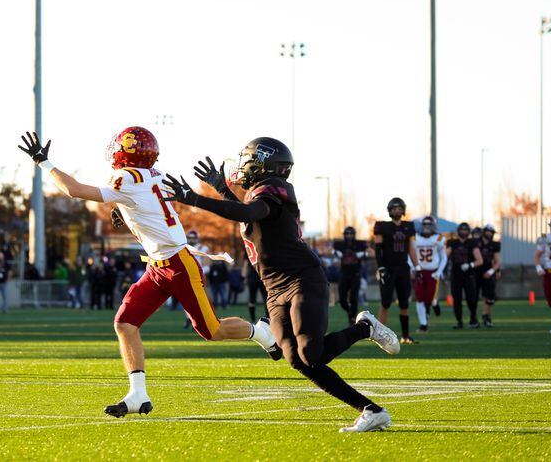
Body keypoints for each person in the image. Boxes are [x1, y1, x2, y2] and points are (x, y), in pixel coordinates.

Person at [19, 128, 279, 419]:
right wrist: (123, 207)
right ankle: (137, 393)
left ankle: (261, 332)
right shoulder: (153, 174)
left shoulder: (127, 178)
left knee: (212, 331)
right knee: (125, 323)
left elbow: (76, 190)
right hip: (157, 266)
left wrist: (44, 162)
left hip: (179, 265)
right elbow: (148, 204)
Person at [164, 139, 399, 432]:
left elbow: (250, 214)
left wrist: (195, 199)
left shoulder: (275, 188)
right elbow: (251, 215)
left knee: (311, 354)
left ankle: (365, 327)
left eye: (248, 160)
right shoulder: (262, 195)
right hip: (275, 289)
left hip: (302, 278)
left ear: (263, 163)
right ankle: (372, 411)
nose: (242, 166)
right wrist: (221, 189)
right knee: (296, 359)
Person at [373, 197, 420, 344]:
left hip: (403, 268)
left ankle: (405, 335)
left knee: (404, 302)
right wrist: (380, 267)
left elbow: (412, 249)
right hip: (388, 268)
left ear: (403, 210)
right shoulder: (382, 226)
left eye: (399, 208)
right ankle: (380, 335)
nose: (397, 210)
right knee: (385, 302)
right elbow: (378, 249)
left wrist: (417, 266)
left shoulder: (408, 226)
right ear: (389, 210)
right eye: (394, 208)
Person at [410, 216, 447, 333]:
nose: (426, 227)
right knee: (420, 298)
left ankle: (434, 303)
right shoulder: (415, 237)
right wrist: (413, 268)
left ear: (433, 226)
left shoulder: (439, 238)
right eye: (424, 225)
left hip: (432, 272)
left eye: (429, 225)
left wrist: (439, 272)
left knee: (429, 299)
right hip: (420, 271)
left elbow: (444, 258)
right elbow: (410, 255)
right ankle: (423, 324)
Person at [446, 222, 484, 329]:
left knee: (471, 299)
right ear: (458, 231)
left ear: (469, 231)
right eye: (461, 230)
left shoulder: (472, 243)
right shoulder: (452, 243)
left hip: (469, 275)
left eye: (465, 230)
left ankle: (473, 318)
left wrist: (470, 265)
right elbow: (444, 257)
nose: (463, 232)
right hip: (456, 275)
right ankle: (459, 321)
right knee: (456, 299)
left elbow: (480, 260)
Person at [333, 226, 370, 326]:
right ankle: (351, 313)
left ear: (354, 235)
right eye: (347, 234)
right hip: (344, 274)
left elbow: (368, 253)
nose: (349, 236)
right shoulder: (340, 244)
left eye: (351, 234)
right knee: (342, 300)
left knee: (353, 298)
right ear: (344, 235)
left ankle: (352, 319)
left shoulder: (359, 244)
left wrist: (363, 254)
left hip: (355, 274)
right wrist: (336, 253)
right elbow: (332, 252)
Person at [477, 224, 502, 327]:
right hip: (476, 271)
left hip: (488, 271)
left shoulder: (494, 245)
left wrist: (494, 271)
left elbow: (497, 260)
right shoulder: (477, 243)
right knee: (473, 297)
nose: (489, 234)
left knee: (489, 297)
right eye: (488, 231)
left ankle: (486, 316)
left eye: (491, 232)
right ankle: (473, 318)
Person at [243, 251, 266, 323]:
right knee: (267, 298)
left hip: (253, 276)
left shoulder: (248, 247)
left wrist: (243, 276)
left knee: (252, 298)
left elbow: (246, 263)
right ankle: (269, 318)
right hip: (263, 276)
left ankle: (253, 319)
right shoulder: (263, 244)